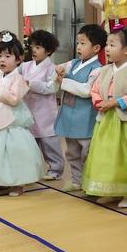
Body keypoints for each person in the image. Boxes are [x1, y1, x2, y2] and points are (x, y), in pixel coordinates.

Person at [0, 32, 46, 195]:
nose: (2, 60)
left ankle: (18, 183)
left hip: (11, 120)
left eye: (7, 56)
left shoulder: (18, 79)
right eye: (0, 56)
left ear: (19, 59)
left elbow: (14, 99)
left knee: (13, 152)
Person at [82, 25, 127, 207]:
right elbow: (94, 89)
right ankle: (109, 189)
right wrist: (99, 101)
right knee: (105, 155)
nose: (107, 48)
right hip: (106, 118)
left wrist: (116, 102)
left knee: (125, 156)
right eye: (107, 44)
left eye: (112, 45)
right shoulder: (104, 70)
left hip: (125, 120)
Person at [54, 24, 106, 192]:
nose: (78, 47)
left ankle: (89, 180)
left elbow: (86, 90)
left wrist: (64, 82)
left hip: (85, 118)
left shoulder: (97, 69)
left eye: (83, 43)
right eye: (78, 43)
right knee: (72, 151)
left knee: (87, 151)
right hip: (69, 115)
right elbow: (59, 68)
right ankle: (77, 180)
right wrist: (59, 69)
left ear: (96, 48)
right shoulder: (74, 63)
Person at [20, 29, 63, 180]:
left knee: (48, 142)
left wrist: (30, 83)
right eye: (32, 46)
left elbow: (51, 87)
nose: (33, 50)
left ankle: (55, 169)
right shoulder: (25, 66)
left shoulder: (52, 68)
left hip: (45, 112)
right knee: (31, 142)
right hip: (28, 109)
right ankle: (32, 170)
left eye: (38, 47)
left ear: (49, 50)